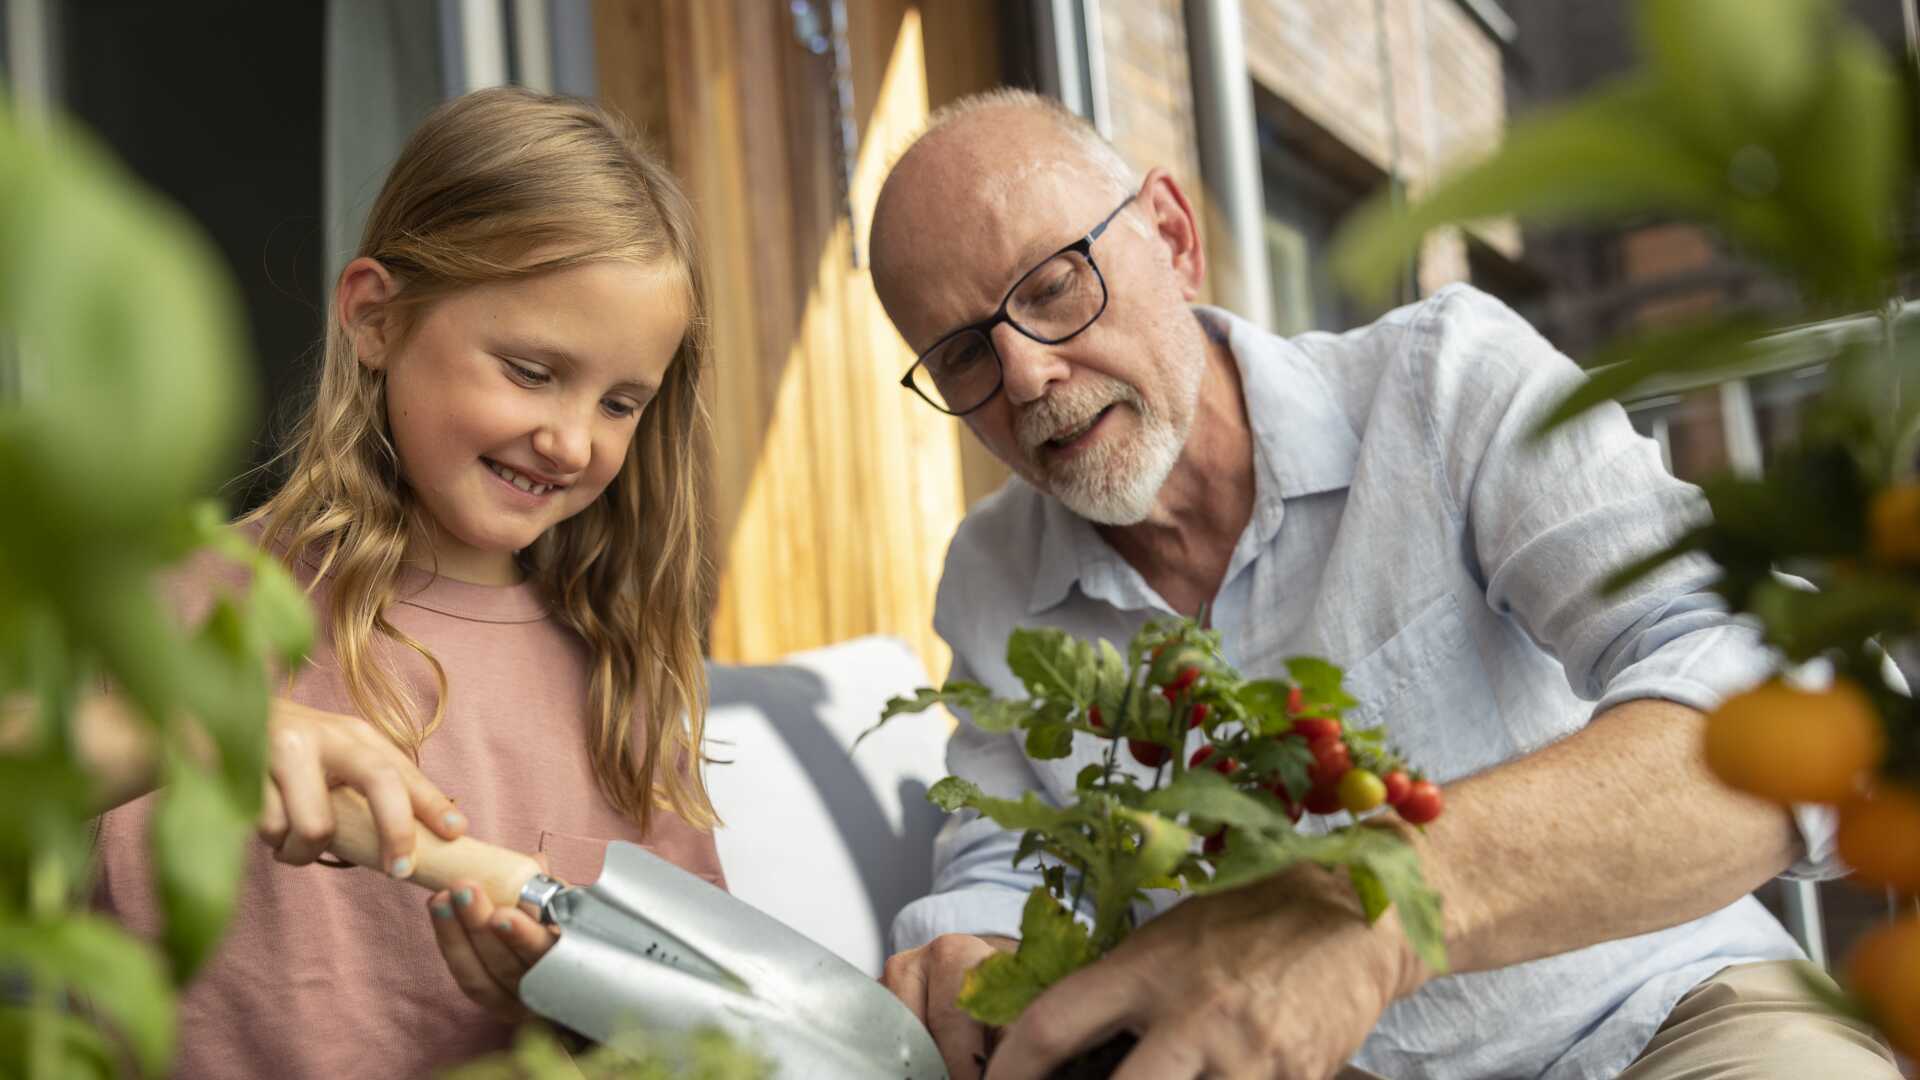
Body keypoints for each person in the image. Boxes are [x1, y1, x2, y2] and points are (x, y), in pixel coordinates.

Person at [866, 88, 1900, 1080]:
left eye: (1053, 287)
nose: (1028, 374)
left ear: (1174, 237)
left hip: (1660, 1020)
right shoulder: (993, 575)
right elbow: (998, 852)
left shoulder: (1444, 385)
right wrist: (968, 945)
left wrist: (1368, 904)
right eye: (962, 356)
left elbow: (1796, 702)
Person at [92, 87, 724, 1077]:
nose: (570, 439)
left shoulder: (621, 686)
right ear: (376, 318)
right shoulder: (175, 604)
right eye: (529, 370)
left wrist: (567, 1005)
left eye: (619, 401)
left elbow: (707, 1039)